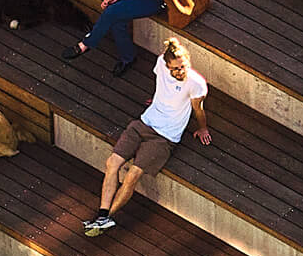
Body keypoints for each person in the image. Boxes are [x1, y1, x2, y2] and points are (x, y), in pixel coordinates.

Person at [85, 38, 210, 236]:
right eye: (175, 68)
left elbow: (198, 109)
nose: (180, 71)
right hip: (144, 123)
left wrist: (202, 128)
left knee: (132, 175)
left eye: (183, 66)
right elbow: (161, 83)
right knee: (112, 164)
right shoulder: (160, 62)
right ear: (167, 65)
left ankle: (107, 218)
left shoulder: (196, 84)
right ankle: (102, 214)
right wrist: (160, 99)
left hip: (165, 137)